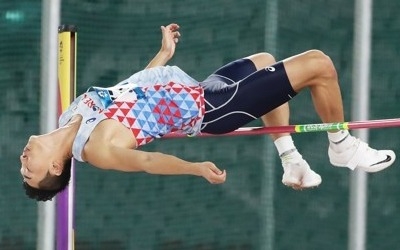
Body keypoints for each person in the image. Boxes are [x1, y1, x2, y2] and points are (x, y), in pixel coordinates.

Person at [21, 23, 396, 201]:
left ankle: (291, 158)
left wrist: (163, 56)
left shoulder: (67, 115)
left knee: (265, 59)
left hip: (200, 87)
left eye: (23, 168)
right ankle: (341, 146)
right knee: (319, 64)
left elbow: (129, 91)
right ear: (56, 168)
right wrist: (195, 168)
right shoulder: (95, 148)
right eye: (30, 171)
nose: (23, 162)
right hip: (213, 108)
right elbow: (148, 163)